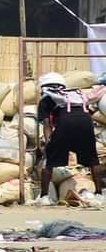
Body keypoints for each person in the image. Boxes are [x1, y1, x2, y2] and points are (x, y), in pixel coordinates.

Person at [37, 72, 104, 201]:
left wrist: (48, 143)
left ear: (43, 86)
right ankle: (99, 194)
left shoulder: (46, 98)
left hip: (66, 122)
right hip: (86, 122)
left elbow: (46, 125)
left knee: (49, 161)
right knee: (92, 159)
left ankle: (44, 197)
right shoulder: (73, 95)